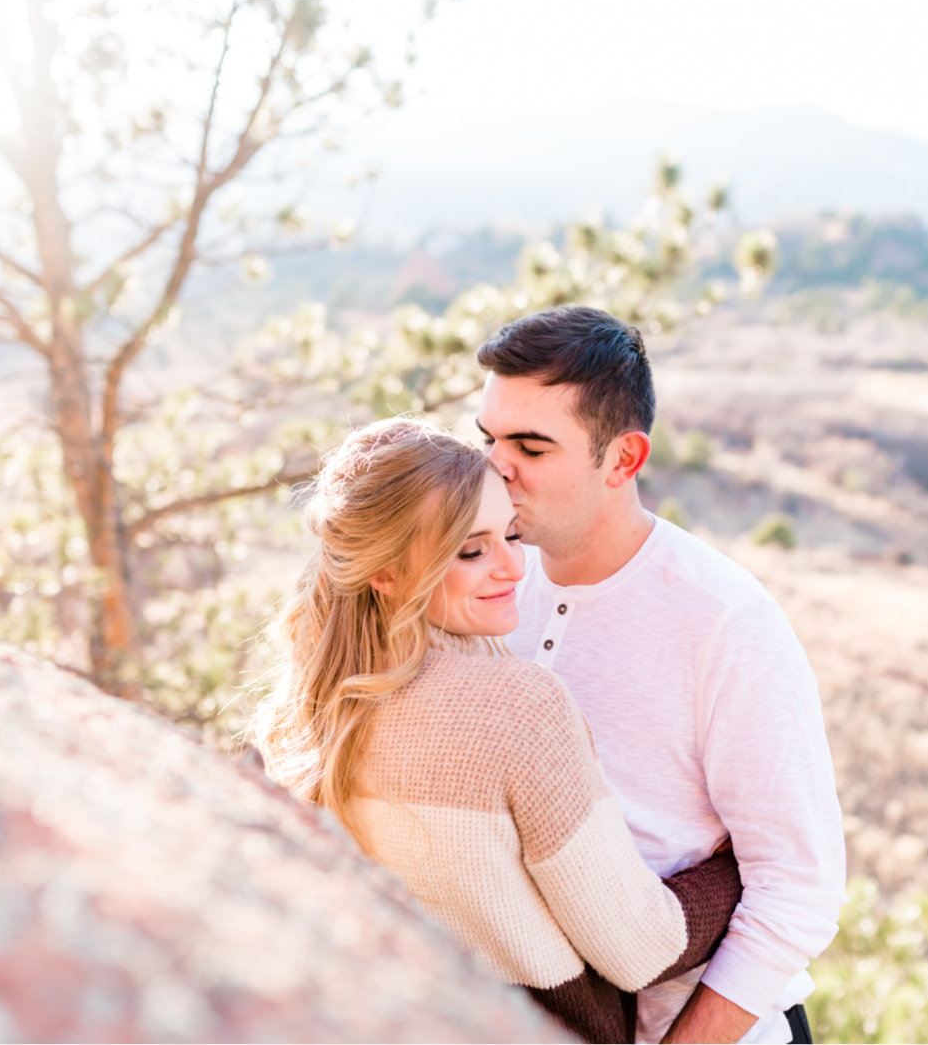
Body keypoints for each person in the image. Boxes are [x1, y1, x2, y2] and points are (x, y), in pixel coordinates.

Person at [249, 418, 743, 1044]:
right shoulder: (517, 706)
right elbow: (640, 950)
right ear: (386, 572)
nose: (514, 567)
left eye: (510, 533)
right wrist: (735, 868)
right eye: (472, 550)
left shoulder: (315, 709)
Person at [475, 307, 847, 1044]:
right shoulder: (482, 592)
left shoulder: (727, 622)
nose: (495, 466)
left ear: (623, 459)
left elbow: (798, 888)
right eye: (488, 438)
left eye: (532, 446)